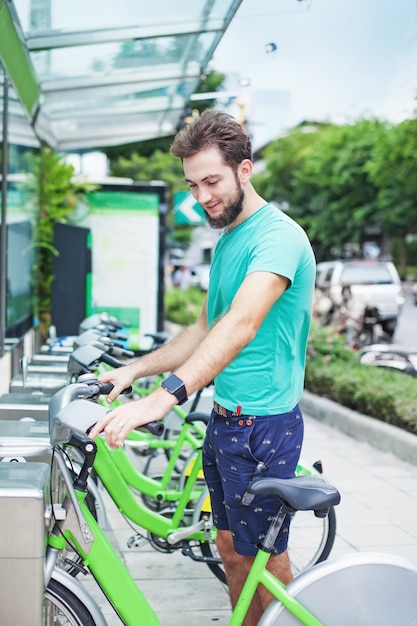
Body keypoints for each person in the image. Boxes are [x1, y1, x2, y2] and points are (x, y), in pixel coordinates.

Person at [89, 109, 316, 624]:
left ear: (245, 170)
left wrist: (163, 397)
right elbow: (203, 329)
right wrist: (134, 371)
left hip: (264, 425)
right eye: (193, 185)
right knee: (231, 547)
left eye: (211, 181)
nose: (202, 196)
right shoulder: (231, 238)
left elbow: (241, 324)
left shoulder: (276, 237)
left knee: (264, 557)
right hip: (229, 419)